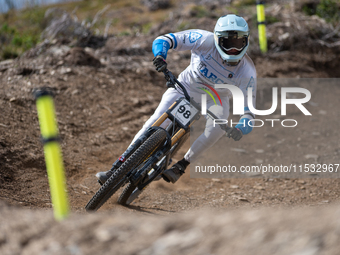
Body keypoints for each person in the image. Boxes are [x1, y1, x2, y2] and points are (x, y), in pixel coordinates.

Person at [97, 14, 256, 184]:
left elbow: (249, 115)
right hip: (186, 86)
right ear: (217, 39)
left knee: (215, 131)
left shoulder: (248, 72)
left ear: (246, 41)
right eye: (228, 42)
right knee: (154, 122)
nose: (233, 49)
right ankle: (116, 168)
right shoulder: (204, 39)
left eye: (238, 43)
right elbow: (164, 40)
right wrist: (160, 56)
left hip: (215, 100)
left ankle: (182, 165)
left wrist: (239, 129)